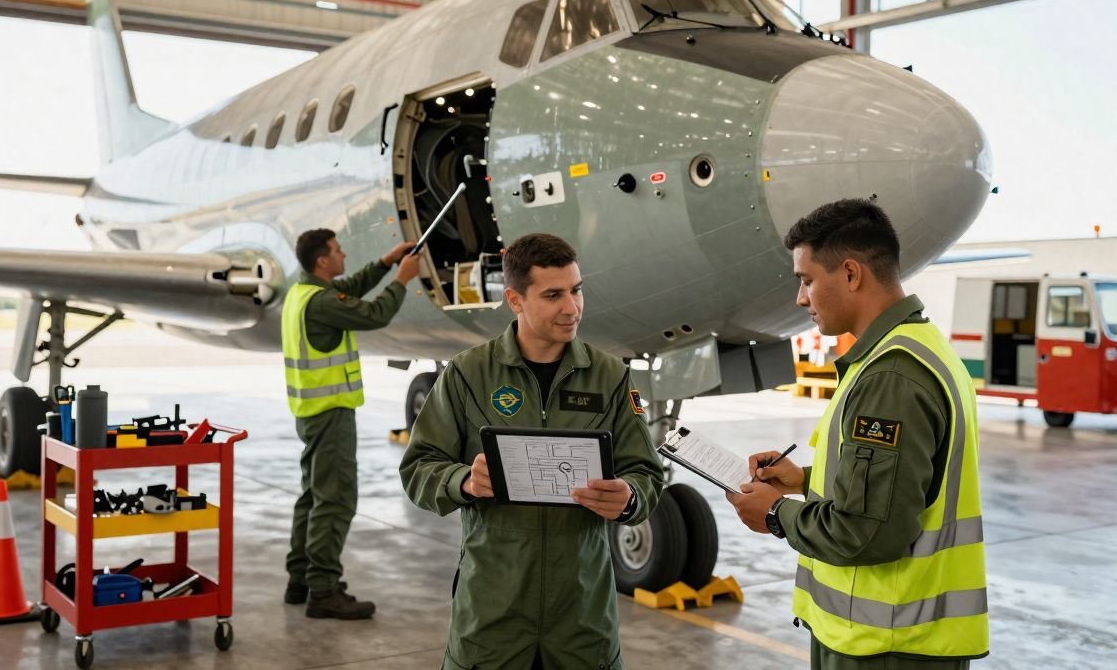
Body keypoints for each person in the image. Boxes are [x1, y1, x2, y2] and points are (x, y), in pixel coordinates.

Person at [726, 199, 988, 668]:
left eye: (807, 280)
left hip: (883, 646)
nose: (800, 299)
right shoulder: (917, 350)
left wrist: (775, 515)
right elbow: (904, 484)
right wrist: (803, 479)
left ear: (850, 274)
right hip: (892, 639)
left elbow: (868, 533)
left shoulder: (891, 377)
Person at [400, 232, 664, 669]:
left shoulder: (610, 377)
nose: (572, 307)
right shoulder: (468, 374)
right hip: (492, 608)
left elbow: (645, 472)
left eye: (577, 290)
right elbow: (418, 468)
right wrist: (462, 480)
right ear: (516, 300)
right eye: (554, 295)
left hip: (582, 611)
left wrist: (630, 496)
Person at [282, 229, 419, 620]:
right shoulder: (322, 302)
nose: (344, 255)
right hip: (331, 413)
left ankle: (301, 580)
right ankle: (324, 592)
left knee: (312, 495)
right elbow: (374, 313)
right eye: (338, 251)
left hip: (310, 410)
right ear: (323, 261)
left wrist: (387, 261)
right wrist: (402, 280)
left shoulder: (303, 292)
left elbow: (350, 288)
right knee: (336, 498)